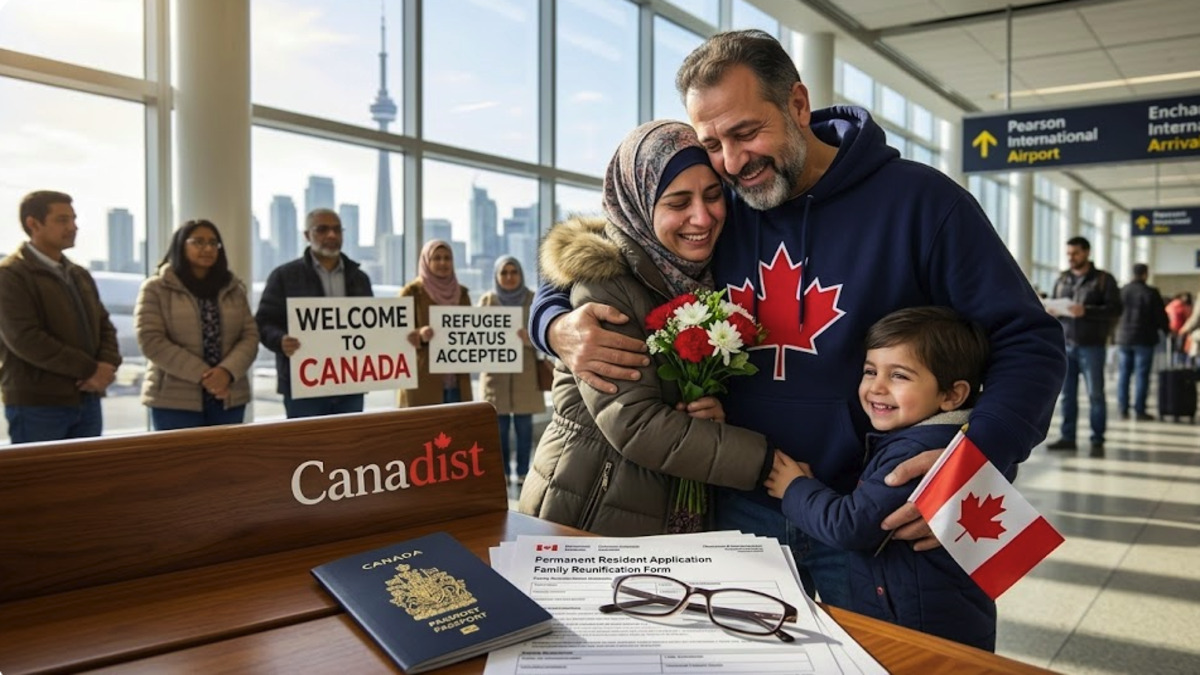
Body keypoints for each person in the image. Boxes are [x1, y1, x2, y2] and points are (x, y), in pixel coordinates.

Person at [528, 30, 1065, 607]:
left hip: (877, 517)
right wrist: (553, 320)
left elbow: (1028, 341)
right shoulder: (720, 205)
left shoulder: (924, 203)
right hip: (739, 511)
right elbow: (614, 246)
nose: (733, 161)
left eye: (746, 132)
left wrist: (976, 459)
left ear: (798, 105)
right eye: (713, 143)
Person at [518, 119, 771, 536]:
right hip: (586, 514)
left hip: (665, 514)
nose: (702, 217)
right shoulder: (605, 284)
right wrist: (764, 462)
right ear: (638, 202)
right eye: (677, 202)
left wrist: (710, 408)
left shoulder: (704, 271)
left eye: (713, 196)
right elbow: (634, 424)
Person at [766, 306, 995, 651]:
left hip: (920, 630)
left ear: (952, 395)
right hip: (932, 614)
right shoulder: (933, 438)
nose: (877, 387)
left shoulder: (917, 455)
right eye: (870, 371)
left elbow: (850, 525)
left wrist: (794, 488)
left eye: (900, 376)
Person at [0, 190, 121, 443]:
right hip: (38, 405)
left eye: (73, 219)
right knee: (39, 481)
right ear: (33, 224)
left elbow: (104, 326)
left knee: (86, 480)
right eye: (62, 220)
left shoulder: (78, 274)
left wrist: (107, 365)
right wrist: (90, 370)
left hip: (87, 399)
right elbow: (25, 339)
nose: (73, 227)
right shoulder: (10, 275)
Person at [135, 220, 259, 430]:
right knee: (182, 462)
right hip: (175, 400)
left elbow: (250, 336)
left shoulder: (233, 288)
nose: (208, 248)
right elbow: (151, 340)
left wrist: (226, 373)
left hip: (228, 396)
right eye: (198, 242)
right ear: (181, 245)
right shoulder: (156, 288)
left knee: (227, 461)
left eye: (213, 243)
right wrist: (207, 377)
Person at [256, 208, 373, 418]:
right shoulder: (284, 276)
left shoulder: (359, 278)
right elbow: (264, 323)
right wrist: (280, 340)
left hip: (350, 383)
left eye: (337, 230)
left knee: (350, 446)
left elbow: (375, 326)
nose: (331, 235)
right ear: (307, 235)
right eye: (322, 230)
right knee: (306, 448)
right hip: (304, 385)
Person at [1046, 237, 1121, 451]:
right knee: (1067, 395)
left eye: (1075, 253)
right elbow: (1055, 302)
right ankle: (1067, 437)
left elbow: (1115, 309)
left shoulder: (1103, 279)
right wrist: (1051, 310)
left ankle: (1097, 438)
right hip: (1065, 344)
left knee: (1095, 394)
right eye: (1068, 253)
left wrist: (1087, 310)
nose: (1071, 257)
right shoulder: (1062, 279)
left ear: (1087, 252)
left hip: (1093, 345)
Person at [478, 256, 545, 484]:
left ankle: (524, 472)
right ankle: (503, 472)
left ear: (520, 274)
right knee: (499, 430)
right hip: (496, 377)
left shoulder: (532, 299)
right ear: (496, 276)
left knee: (525, 430)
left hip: (525, 376)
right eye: (503, 273)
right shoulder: (487, 300)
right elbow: (474, 338)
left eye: (513, 272)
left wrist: (530, 339)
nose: (509, 277)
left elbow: (545, 336)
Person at [398, 239, 473, 407]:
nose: (443, 262)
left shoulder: (462, 294)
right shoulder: (411, 292)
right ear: (426, 261)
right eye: (436, 258)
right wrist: (419, 334)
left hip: (457, 381)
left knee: (456, 430)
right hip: (423, 380)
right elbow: (396, 335)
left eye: (447, 258)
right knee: (424, 430)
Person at [1113, 263, 1168, 421]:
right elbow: (1160, 315)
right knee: (1142, 375)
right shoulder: (1151, 292)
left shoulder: (1123, 291)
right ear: (1145, 274)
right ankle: (1140, 410)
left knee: (1124, 374)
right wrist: (1166, 330)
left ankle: (1123, 409)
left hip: (1124, 337)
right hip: (1144, 338)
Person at [1165, 291, 1193, 365]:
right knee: (1183, 349)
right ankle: (1184, 366)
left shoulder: (1170, 306)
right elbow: (1189, 317)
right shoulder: (1184, 306)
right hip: (1182, 329)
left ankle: (1174, 364)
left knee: (1174, 349)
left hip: (1171, 329)